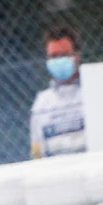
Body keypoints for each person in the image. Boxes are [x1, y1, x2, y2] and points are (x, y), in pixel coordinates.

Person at [29, 27, 86, 158]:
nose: (59, 60)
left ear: (77, 55)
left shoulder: (94, 94)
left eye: (65, 55)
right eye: (53, 56)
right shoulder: (41, 103)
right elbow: (37, 153)